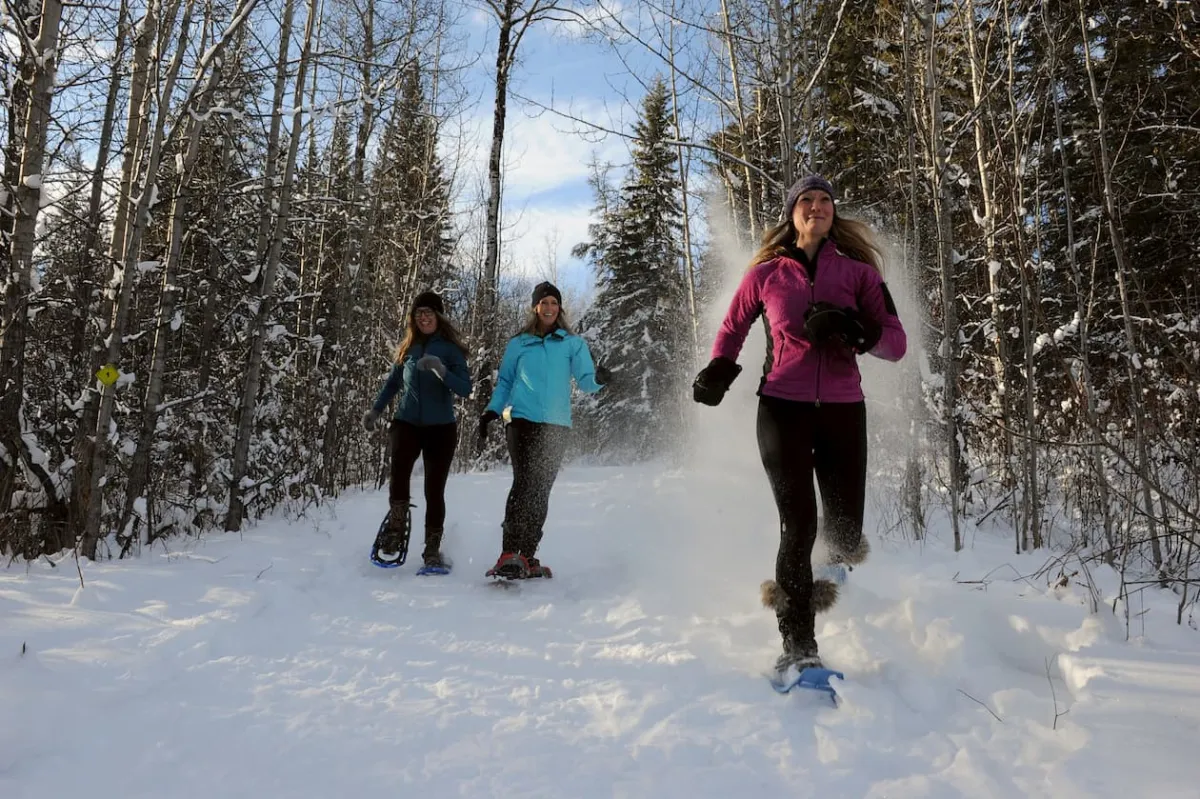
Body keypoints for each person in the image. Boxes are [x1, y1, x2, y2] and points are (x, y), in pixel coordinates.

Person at [692, 174, 906, 676]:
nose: (816, 206)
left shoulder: (859, 275)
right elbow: (733, 326)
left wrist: (854, 330)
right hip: (782, 408)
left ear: (834, 212)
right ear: (792, 215)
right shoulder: (766, 274)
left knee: (846, 531)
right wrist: (721, 369)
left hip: (842, 409)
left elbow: (894, 345)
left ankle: (828, 568)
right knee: (798, 524)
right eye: (806, 200)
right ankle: (798, 643)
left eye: (825, 199)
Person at [478, 281, 610, 579]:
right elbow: (506, 382)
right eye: (543, 303)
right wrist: (491, 411)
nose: (549, 308)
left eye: (553, 303)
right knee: (523, 484)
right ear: (535, 307)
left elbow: (586, 381)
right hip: (522, 422)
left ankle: (527, 555)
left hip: (556, 427)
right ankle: (509, 552)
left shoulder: (572, 344)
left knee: (540, 491)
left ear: (559, 308)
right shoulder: (519, 343)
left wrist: (600, 379)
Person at [363, 290, 471, 568]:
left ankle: (432, 547)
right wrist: (376, 410)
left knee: (434, 490)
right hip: (407, 422)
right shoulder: (408, 348)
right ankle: (395, 530)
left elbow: (465, 388)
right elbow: (392, 384)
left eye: (429, 313)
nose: (423, 318)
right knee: (399, 471)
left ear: (439, 317)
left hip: (441, 428)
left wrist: (441, 370)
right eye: (419, 313)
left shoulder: (450, 350)